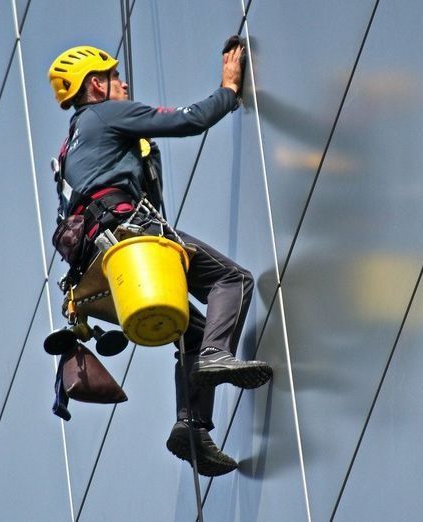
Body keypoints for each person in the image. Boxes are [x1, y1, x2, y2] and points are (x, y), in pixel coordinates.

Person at [47, 43, 272, 477]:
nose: (123, 83)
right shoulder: (105, 115)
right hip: (129, 237)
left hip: (98, 266)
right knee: (232, 280)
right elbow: (189, 120)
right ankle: (216, 355)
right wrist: (229, 90)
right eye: (115, 77)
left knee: (194, 330)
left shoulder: (70, 146)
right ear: (96, 85)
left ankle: (192, 428)